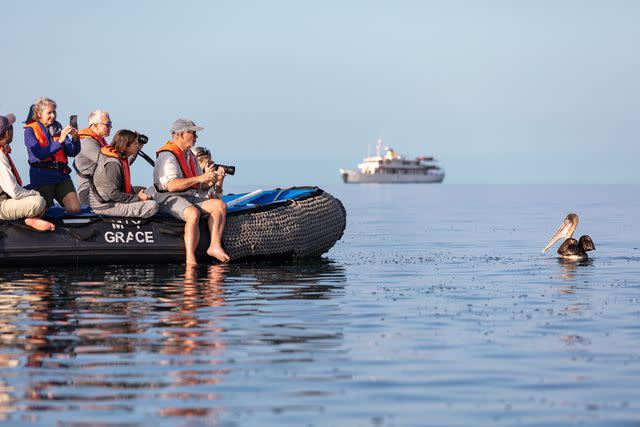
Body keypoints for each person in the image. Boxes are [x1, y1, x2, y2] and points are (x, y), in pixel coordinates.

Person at [153, 119, 230, 265]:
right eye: (192, 132)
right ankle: (190, 258)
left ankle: (214, 245)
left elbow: (199, 187)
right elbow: (172, 186)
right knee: (193, 213)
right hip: (168, 197)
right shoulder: (167, 156)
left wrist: (213, 180)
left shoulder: (189, 155)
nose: (196, 137)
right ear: (179, 135)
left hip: (188, 195)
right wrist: (201, 177)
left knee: (219, 205)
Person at [24, 97, 81, 213]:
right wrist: (59, 141)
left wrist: (75, 138)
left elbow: (72, 152)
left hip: (61, 175)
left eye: (54, 112)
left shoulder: (57, 128)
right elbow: (39, 153)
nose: (53, 115)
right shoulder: (29, 131)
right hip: (42, 176)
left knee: (75, 208)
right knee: (44, 211)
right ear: (39, 114)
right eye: (49, 112)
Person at [0, 113, 55, 231]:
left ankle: (32, 216)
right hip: (2, 205)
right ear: (7, 133)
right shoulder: (0, 157)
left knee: (39, 189)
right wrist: (34, 193)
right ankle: (29, 219)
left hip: (6, 197)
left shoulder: (2, 151)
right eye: (11, 127)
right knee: (39, 201)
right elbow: (14, 191)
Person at [90, 129, 158, 218]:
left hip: (110, 199)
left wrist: (139, 196)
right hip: (105, 205)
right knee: (152, 205)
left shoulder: (118, 155)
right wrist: (138, 198)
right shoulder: (113, 164)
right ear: (125, 146)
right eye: (135, 143)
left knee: (145, 190)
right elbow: (114, 194)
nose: (137, 146)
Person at [73, 109, 112, 205]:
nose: (110, 126)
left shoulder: (99, 142)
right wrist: (126, 146)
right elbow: (110, 164)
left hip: (100, 191)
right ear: (95, 125)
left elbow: (116, 165)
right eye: (107, 124)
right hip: (92, 195)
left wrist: (134, 149)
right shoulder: (87, 143)